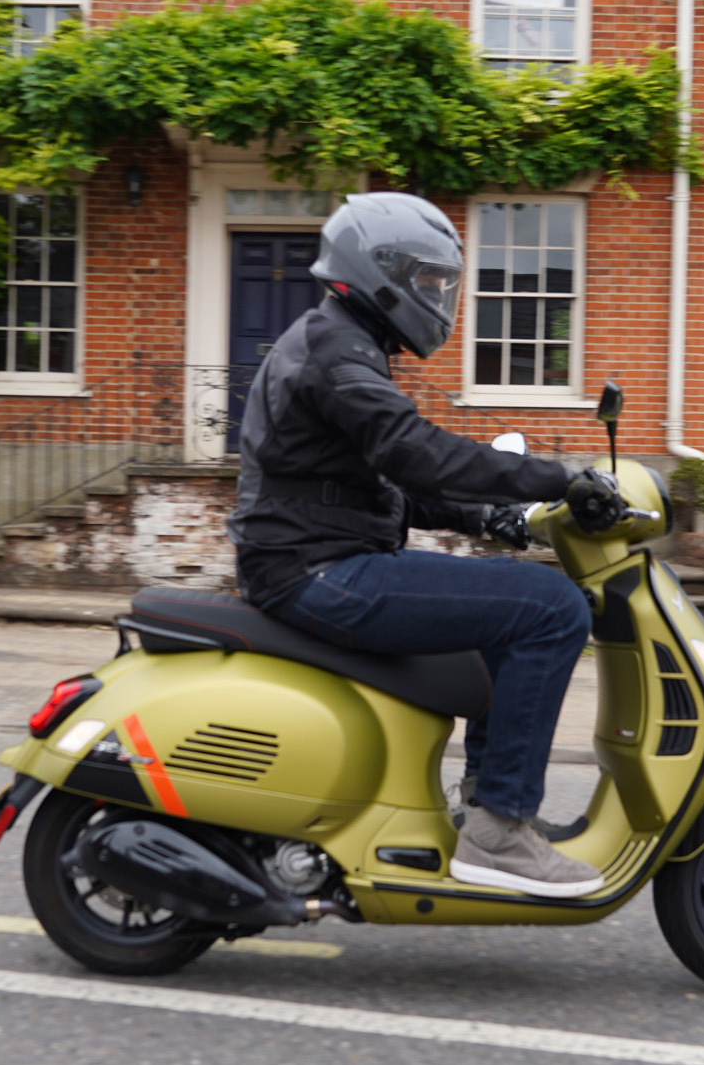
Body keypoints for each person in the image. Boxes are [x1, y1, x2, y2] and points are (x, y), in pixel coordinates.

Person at [228, 192, 628, 899]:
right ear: (380, 271)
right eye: (430, 281)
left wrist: (489, 518)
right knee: (553, 608)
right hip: (315, 572)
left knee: (508, 617)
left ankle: (486, 797)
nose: (437, 296)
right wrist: (558, 479)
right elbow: (412, 451)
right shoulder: (334, 349)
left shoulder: (340, 340)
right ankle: (499, 830)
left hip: (320, 559)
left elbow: (378, 485)